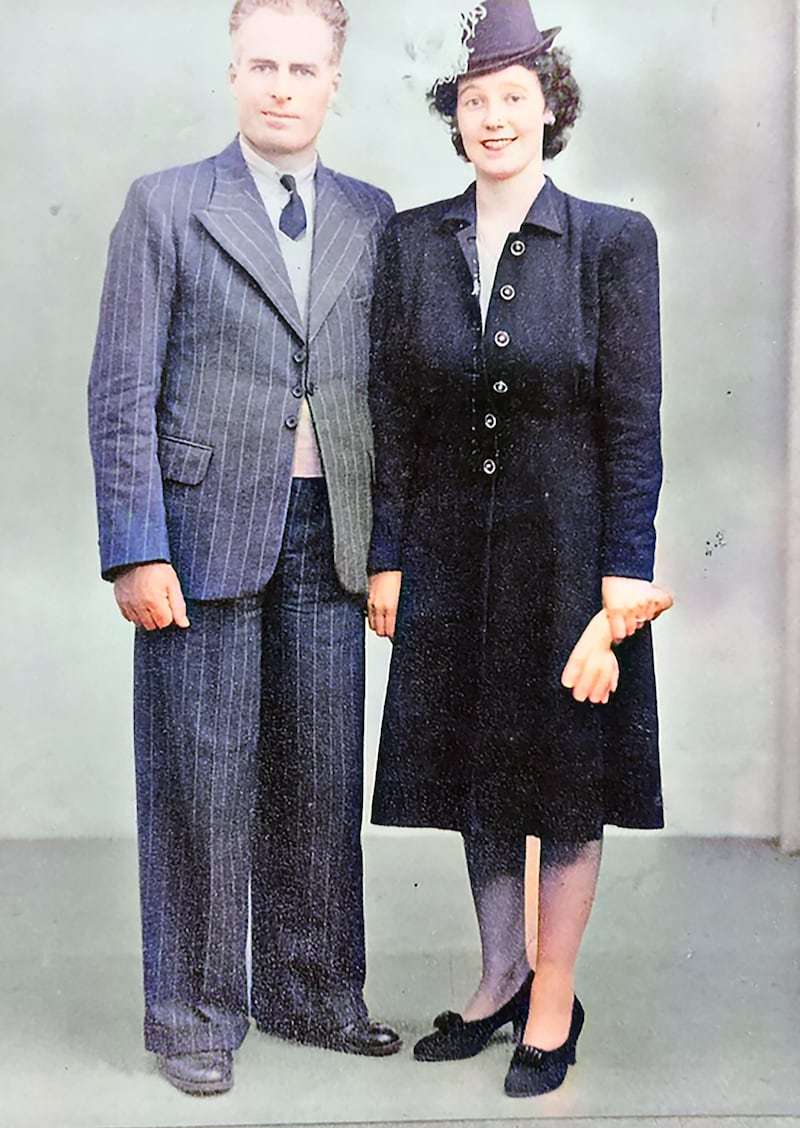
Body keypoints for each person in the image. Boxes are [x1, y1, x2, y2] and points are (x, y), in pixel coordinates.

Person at [88, 0, 400, 1097]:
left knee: (319, 775)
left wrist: (390, 549)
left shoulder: (372, 215)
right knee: (200, 779)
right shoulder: (166, 206)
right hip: (200, 536)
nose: (280, 85)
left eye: (302, 67)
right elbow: (121, 390)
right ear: (230, 73)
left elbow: (390, 397)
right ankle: (193, 1011)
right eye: (260, 64)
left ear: (332, 84)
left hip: (330, 537)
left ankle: (312, 990)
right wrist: (134, 548)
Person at [367, 0, 672, 1099]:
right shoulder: (410, 241)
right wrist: (390, 555)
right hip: (449, 554)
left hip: (566, 558)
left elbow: (632, 423)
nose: (493, 118)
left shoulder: (610, 241)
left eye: (514, 99)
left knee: (564, 781)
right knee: (476, 773)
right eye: (474, 102)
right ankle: (496, 980)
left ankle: (552, 1004)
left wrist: (621, 587)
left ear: (550, 111)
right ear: (454, 119)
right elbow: (394, 409)